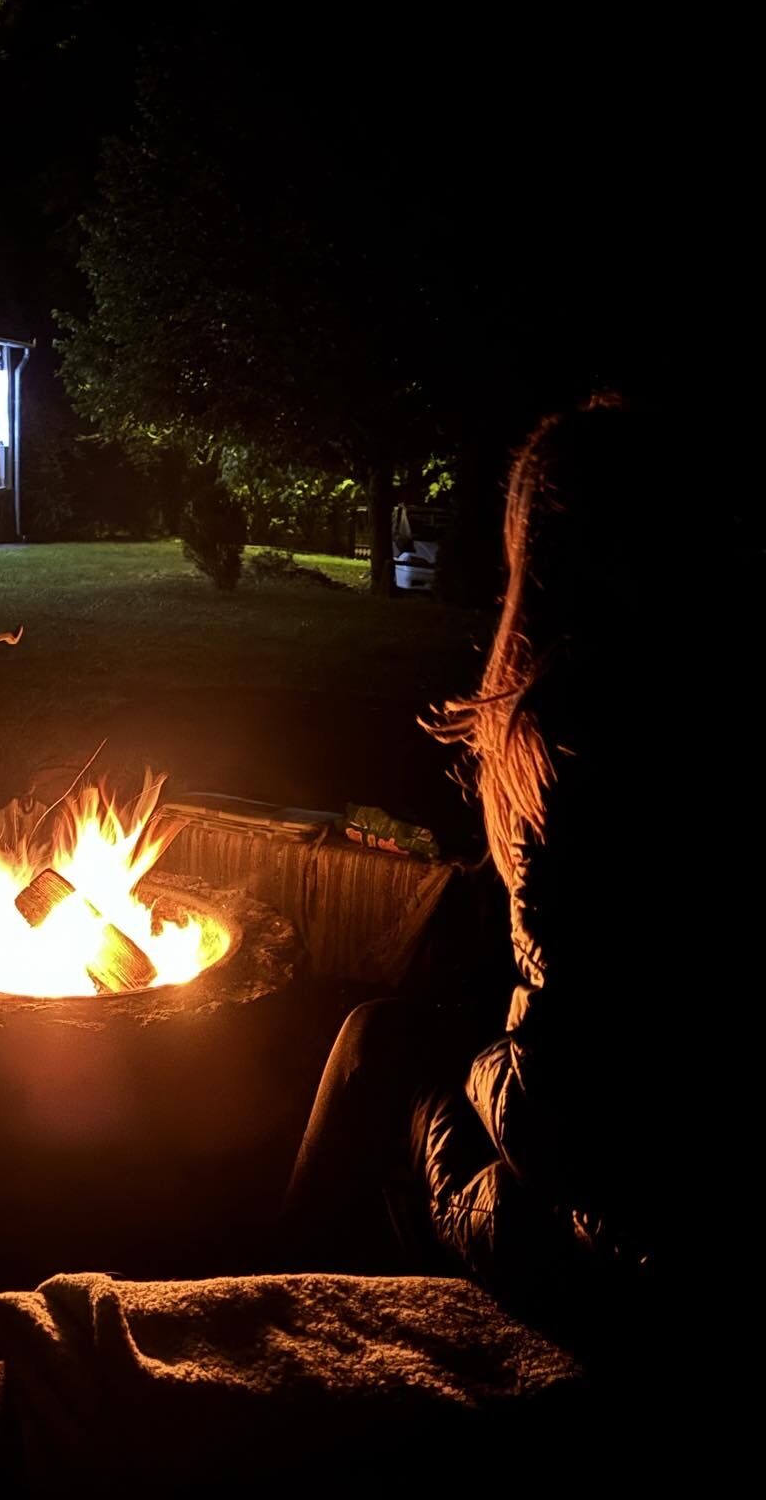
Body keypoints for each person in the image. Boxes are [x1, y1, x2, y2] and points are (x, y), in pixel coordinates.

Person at [283, 399, 703, 1344]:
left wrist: (479, 1064)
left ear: (543, 559)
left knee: (375, 1045)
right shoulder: (687, 702)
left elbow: (559, 1122)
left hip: (615, 1256)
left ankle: (267, 1316)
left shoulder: (575, 745)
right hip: (657, 1197)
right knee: (397, 1031)